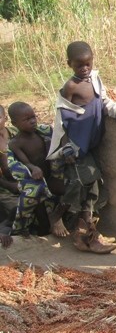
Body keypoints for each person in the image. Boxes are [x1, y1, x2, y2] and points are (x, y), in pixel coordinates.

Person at [46, 40, 116, 254]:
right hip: (75, 148)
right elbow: (61, 118)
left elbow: (103, 102)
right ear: (69, 64)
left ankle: (86, 233)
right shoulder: (71, 87)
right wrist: (66, 147)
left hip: (90, 145)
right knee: (79, 187)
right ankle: (58, 218)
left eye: (88, 63)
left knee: (94, 187)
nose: (85, 69)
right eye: (79, 65)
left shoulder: (95, 79)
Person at [5, 102, 63, 238]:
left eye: (33, 117)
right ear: (14, 124)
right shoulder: (15, 143)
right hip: (36, 180)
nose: (32, 121)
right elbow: (25, 162)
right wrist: (33, 168)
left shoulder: (43, 132)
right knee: (39, 206)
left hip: (51, 175)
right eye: (26, 120)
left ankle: (59, 220)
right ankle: (43, 232)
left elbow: (57, 145)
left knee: (64, 194)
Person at [0, 105, 18, 247]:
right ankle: (4, 230)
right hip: (3, 186)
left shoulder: (16, 132)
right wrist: (10, 186)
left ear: (5, 118)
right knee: (15, 206)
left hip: (23, 180)